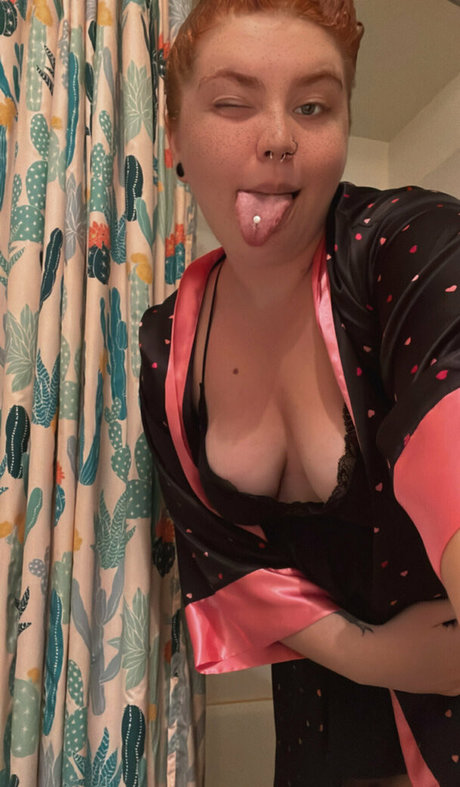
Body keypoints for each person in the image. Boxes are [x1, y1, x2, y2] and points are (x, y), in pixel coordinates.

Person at [139, 1, 460, 784]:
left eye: (313, 106)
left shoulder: (409, 245)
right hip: (320, 726)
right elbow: (227, 559)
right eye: (233, 102)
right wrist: (377, 656)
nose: (279, 137)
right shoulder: (166, 347)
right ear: (175, 136)